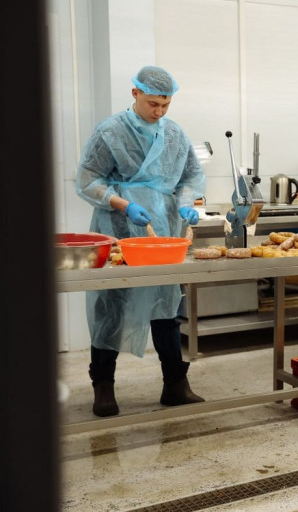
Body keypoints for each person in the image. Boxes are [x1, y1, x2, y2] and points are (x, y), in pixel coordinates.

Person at [76, 65, 207, 417]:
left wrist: (186, 203)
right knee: (111, 304)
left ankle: (175, 384)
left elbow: (191, 176)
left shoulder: (174, 134)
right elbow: (88, 179)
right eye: (153, 104)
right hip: (119, 227)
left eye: (165, 105)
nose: (159, 112)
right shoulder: (110, 131)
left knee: (166, 304)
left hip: (162, 230)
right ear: (135, 93)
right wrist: (123, 203)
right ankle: (103, 387)